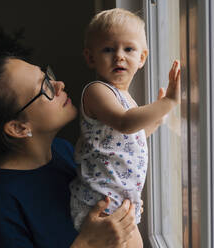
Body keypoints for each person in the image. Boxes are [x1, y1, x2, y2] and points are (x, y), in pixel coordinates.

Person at [0, 53, 138, 248]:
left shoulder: (62, 150)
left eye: (46, 75)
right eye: (44, 87)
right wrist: (87, 244)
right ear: (19, 128)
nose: (59, 85)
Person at [69, 8, 181, 247]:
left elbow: (127, 138)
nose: (119, 56)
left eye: (128, 49)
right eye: (108, 49)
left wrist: (156, 120)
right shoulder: (97, 91)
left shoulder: (125, 98)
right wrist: (167, 102)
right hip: (102, 202)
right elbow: (125, 123)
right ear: (90, 58)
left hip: (118, 199)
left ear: (142, 58)